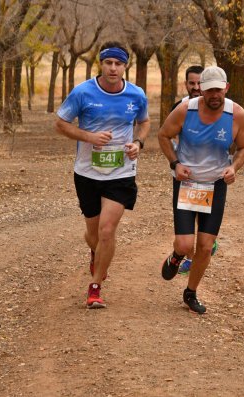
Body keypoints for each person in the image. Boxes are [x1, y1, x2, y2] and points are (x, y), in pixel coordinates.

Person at [54, 41, 150, 309]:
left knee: (108, 230)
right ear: (101, 64)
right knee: (93, 234)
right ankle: (96, 252)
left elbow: (144, 122)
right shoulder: (82, 92)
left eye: (118, 63)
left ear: (125, 66)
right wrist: (89, 136)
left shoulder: (136, 95)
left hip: (121, 171)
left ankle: (95, 287)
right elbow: (60, 124)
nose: (113, 68)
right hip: (87, 172)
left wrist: (138, 143)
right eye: (108, 62)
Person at [157, 66, 244, 314]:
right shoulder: (185, 110)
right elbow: (164, 135)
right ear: (201, 90)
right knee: (186, 244)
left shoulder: (237, 114)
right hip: (187, 183)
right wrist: (175, 164)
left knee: (206, 246)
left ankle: (191, 292)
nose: (214, 95)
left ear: (226, 88)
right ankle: (177, 256)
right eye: (209, 90)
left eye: (219, 89)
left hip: (216, 184)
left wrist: (234, 168)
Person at [169, 65, 219, 274]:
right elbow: (169, 136)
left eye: (200, 83)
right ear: (186, 84)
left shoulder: (220, 109)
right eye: (192, 83)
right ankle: (188, 256)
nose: (196, 87)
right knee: (190, 219)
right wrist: (176, 162)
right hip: (186, 175)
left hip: (210, 175)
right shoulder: (179, 107)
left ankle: (204, 247)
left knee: (202, 215)